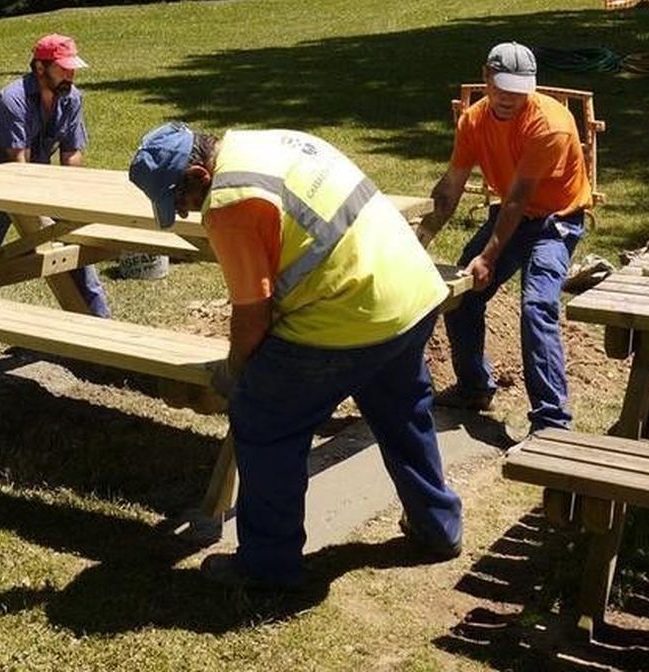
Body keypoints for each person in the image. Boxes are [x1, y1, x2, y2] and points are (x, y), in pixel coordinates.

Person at [129, 122, 463, 591]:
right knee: (401, 410)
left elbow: (252, 314)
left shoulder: (229, 201)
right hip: (410, 290)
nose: (184, 211)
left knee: (265, 423)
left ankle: (267, 569)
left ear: (201, 175)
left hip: (350, 310)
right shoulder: (259, 142)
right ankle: (438, 527)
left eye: (180, 200)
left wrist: (236, 376)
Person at [417, 42, 591, 433]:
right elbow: (450, 189)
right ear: (486, 77)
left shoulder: (551, 124)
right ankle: (473, 388)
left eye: (521, 89)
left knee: (537, 307)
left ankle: (551, 421)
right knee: (462, 295)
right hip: (511, 216)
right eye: (504, 87)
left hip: (554, 221)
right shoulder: (473, 121)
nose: (511, 97)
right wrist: (421, 239)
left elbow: (517, 200)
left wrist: (489, 257)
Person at [0, 34, 111, 370]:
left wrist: (72, 202)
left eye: (73, 68)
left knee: (77, 244)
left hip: (40, 180)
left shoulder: (72, 98)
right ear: (40, 67)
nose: (71, 75)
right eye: (63, 69)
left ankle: (101, 334)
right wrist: (38, 212)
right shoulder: (13, 100)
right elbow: (17, 165)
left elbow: (72, 154)